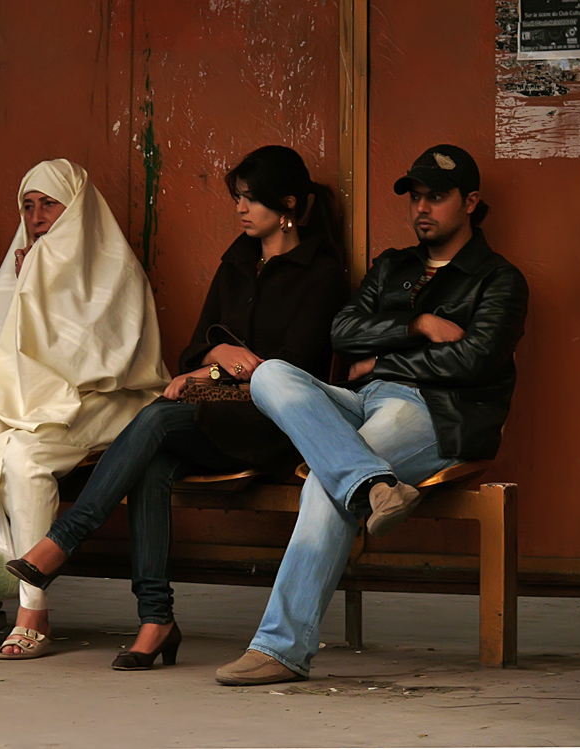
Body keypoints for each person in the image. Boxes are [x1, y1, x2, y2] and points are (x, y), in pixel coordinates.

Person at [7, 145, 348, 670]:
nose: (240, 209)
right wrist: (217, 357)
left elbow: (293, 372)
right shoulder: (237, 260)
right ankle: (155, 620)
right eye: (237, 198)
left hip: (275, 425)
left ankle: (65, 538)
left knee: (163, 416)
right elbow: (193, 351)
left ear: (287, 205)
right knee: (154, 462)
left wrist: (212, 371)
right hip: (216, 415)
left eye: (251, 199)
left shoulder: (320, 274)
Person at [216, 144, 529, 686]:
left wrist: (382, 357)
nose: (421, 208)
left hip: (434, 412)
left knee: (323, 481)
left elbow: (474, 360)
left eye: (437, 197)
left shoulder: (498, 279)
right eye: (415, 197)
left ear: (471, 202)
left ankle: (281, 648)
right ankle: (375, 487)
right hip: (362, 400)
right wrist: (416, 326)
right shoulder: (393, 266)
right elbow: (341, 331)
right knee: (269, 374)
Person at [0, 159, 167, 659]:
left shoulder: (113, 267)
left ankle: (34, 609)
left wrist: (39, 290)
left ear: (77, 207)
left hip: (101, 398)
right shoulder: (25, 261)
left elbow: (102, 360)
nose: (37, 214)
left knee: (24, 461)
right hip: (26, 395)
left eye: (50, 202)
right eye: (28, 205)